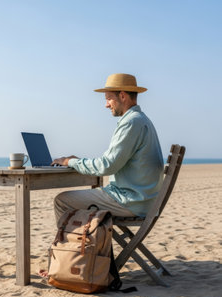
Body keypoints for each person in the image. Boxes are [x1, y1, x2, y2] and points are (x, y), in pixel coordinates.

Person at [52, 73, 164, 222]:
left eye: (109, 99)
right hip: (143, 200)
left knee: (62, 200)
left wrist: (69, 162)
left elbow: (107, 166)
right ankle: (89, 244)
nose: (106, 105)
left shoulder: (131, 122)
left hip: (130, 201)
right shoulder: (142, 120)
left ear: (123, 96)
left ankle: (68, 244)